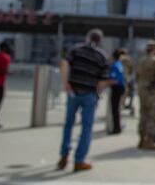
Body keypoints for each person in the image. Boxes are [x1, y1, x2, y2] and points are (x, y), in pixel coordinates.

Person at [57, 29, 109, 172]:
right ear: (100, 41)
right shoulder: (102, 56)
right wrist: (98, 95)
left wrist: (65, 83)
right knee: (86, 128)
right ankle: (79, 161)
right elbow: (103, 81)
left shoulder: (76, 50)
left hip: (73, 92)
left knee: (68, 124)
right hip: (89, 94)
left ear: (87, 38)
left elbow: (64, 64)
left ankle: (64, 154)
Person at [135, 41, 155, 150]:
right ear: (154, 50)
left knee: (143, 114)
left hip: (142, 90)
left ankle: (141, 140)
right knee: (153, 116)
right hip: (152, 91)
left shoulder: (141, 60)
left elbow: (137, 75)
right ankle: (150, 141)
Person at [107, 49, 126, 135]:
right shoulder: (119, 64)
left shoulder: (115, 65)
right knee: (117, 109)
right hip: (120, 87)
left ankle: (116, 128)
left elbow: (114, 79)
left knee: (114, 109)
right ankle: (117, 127)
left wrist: (104, 84)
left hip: (116, 88)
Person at [120, 50, 135, 116]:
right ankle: (129, 106)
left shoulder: (117, 59)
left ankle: (121, 107)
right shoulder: (129, 60)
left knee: (121, 97)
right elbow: (132, 70)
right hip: (127, 80)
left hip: (118, 81)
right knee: (127, 95)